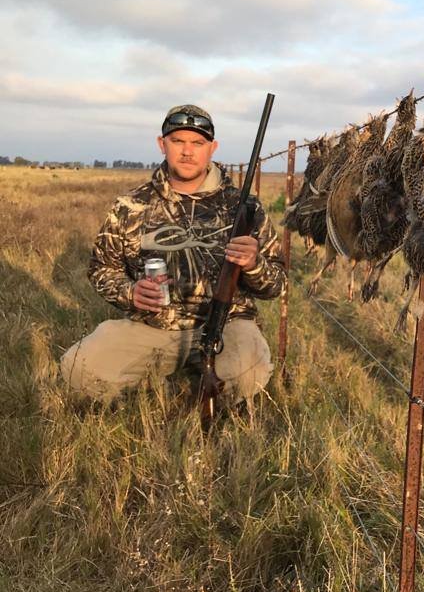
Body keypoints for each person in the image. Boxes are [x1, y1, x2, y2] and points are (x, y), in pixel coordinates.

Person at [60, 104, 286, 411]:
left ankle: (206, 382)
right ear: (162, 144)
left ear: (212, 148)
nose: (187, 152)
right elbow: (102, 268)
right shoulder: (131, 205)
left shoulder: (245, 208)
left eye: (197, 143)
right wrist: (131, 293)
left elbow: (276, 285)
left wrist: (254, 265)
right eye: (178, 141)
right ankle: (169, 377)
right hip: (154, 327)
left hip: (227, 324)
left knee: (248, 376)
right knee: (78, 369)